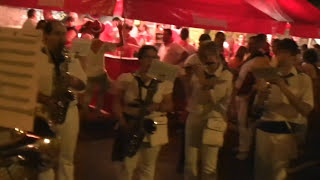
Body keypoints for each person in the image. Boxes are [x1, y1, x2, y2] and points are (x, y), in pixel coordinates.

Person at [254, 38, 313, 180]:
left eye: (284, 52)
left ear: (294, 56)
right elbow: (255, 109)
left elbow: (306, 110)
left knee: (278, 174)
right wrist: (261, 95)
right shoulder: (266, 76)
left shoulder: (303, 79)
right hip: (264, 130)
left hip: (286, 132)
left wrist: (282, 86)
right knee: (261, 173)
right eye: (278, 52)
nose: (279, 56)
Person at [113, 45, 174, 180]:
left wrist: (156, 106)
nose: (151, 61)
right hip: (131, 123)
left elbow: (169, 105)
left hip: (153, 124)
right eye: (147, 57)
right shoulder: (127, 78)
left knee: (148, 166)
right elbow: (116, 102)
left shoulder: (164, 81)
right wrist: (122, 121)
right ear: (139, 59)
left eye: (155, 57)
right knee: (128, 165)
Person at [37, 20, 87, 180]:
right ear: (46, 36)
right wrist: (46, 99)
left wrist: (72, 81)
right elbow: (28, 87)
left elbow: (83, 85)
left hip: (68, 112)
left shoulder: (70, 58)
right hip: (43, 112)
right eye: (57, 34)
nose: (62, 38)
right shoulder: (37, 57)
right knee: (44, 159)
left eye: (64, 34)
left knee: (67, 158)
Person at [184, 41, 233, 180]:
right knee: (190, 163)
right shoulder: (201, 71)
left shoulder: (225, 75)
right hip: (195, 115)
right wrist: (187, 79)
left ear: (217, 56)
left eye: (208, 59)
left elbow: (213, 99)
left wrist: (202, 79)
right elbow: (191, 93)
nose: (205, 63)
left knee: (208, 166)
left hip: (213, 120)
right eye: (202, 59)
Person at [79, 20, 123, 116]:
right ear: (101, 31)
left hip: (88, 73)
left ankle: (85, 115)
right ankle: (97, 113)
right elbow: (121, 44)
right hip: (100, 74)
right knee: (101, 94)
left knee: (88, 95)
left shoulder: (86, 44)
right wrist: (120, 30)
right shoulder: (104, 44)